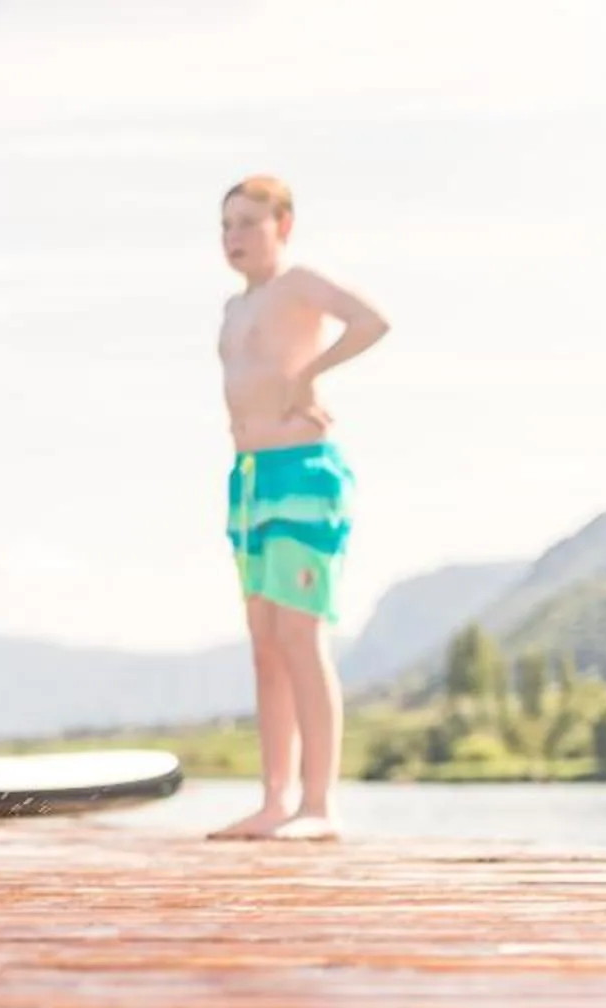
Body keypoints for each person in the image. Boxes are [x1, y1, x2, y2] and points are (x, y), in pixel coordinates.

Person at [214, 174, 390, 841]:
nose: (235, 237)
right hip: (250, 479)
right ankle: (275, 799)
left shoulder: (299, 284)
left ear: (283, 226)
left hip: (303, 474)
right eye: (226, 225)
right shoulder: (233, 309)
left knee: (299, 634)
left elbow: (374, 321)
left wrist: (311, 374)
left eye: (248, 223)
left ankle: (320, 806)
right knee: (264, 644)